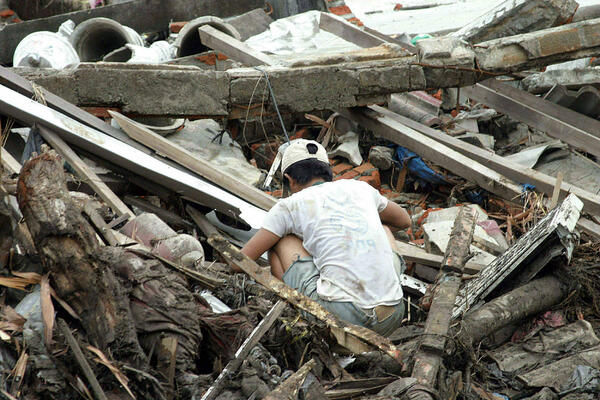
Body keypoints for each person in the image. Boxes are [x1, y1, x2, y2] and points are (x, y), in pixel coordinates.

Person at [240, 139, 411, 336]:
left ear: (289, 179)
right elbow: (404, 221)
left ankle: (298, 315)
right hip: (394, 314)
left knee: (280, 241)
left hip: (342, 320)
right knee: (384, 228)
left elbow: (240, 262)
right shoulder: (360, 188)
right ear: (328, 173)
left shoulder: (289, 206)